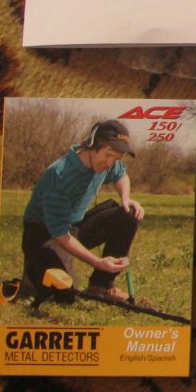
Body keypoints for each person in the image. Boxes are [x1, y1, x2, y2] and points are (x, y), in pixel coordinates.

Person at [21, 119, 144, 302]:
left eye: (116, 158)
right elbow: (60, 234)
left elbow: (121, 175)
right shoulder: (60, 175)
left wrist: (126, 198)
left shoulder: (105, 162)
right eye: (108, 155)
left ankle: (101, 285)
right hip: (43, 235)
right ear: (93, 144)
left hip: (74, 227)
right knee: (66, 296)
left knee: (128, 214)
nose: (110, 163)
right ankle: (33, 272)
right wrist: (98, 262)